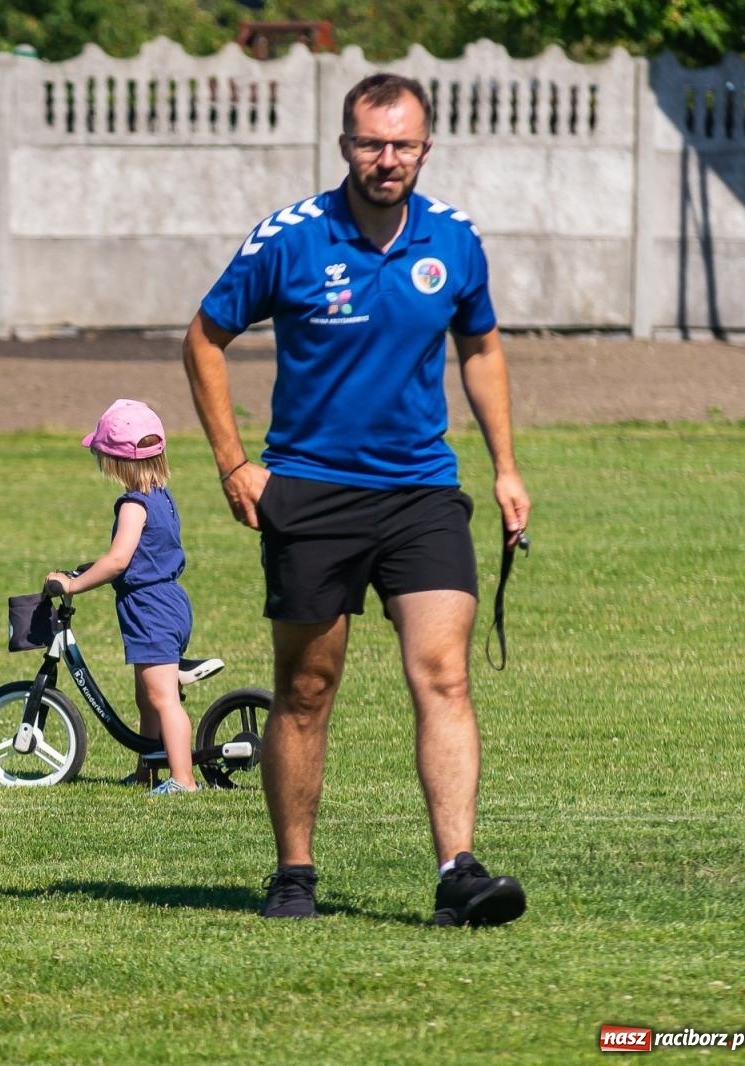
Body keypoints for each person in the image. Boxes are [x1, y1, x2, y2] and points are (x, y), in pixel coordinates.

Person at [181, 73, 531, 925]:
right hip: (310, 494)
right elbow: (204, 338)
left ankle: (459, 872)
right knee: (306, 689)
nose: (387, 159)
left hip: (421, 492)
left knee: (443, 675)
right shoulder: (291, 241)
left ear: (426, 146)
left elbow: (480, 349)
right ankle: (294, 874)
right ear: (345, 145)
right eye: (371, 143)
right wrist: (234, 465)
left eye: (402, 144)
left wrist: (506, 466)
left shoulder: (454, 239)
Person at [45, 399, 199, 795]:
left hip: (150, 608)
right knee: (147, 697)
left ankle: (183, 780)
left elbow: (118, 561)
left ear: (114, 461)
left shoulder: (134, 504)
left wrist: (73, 584)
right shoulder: (162, 496)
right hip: (169, 602)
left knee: (163, 698)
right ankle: (147, 771)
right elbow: (141, 555)